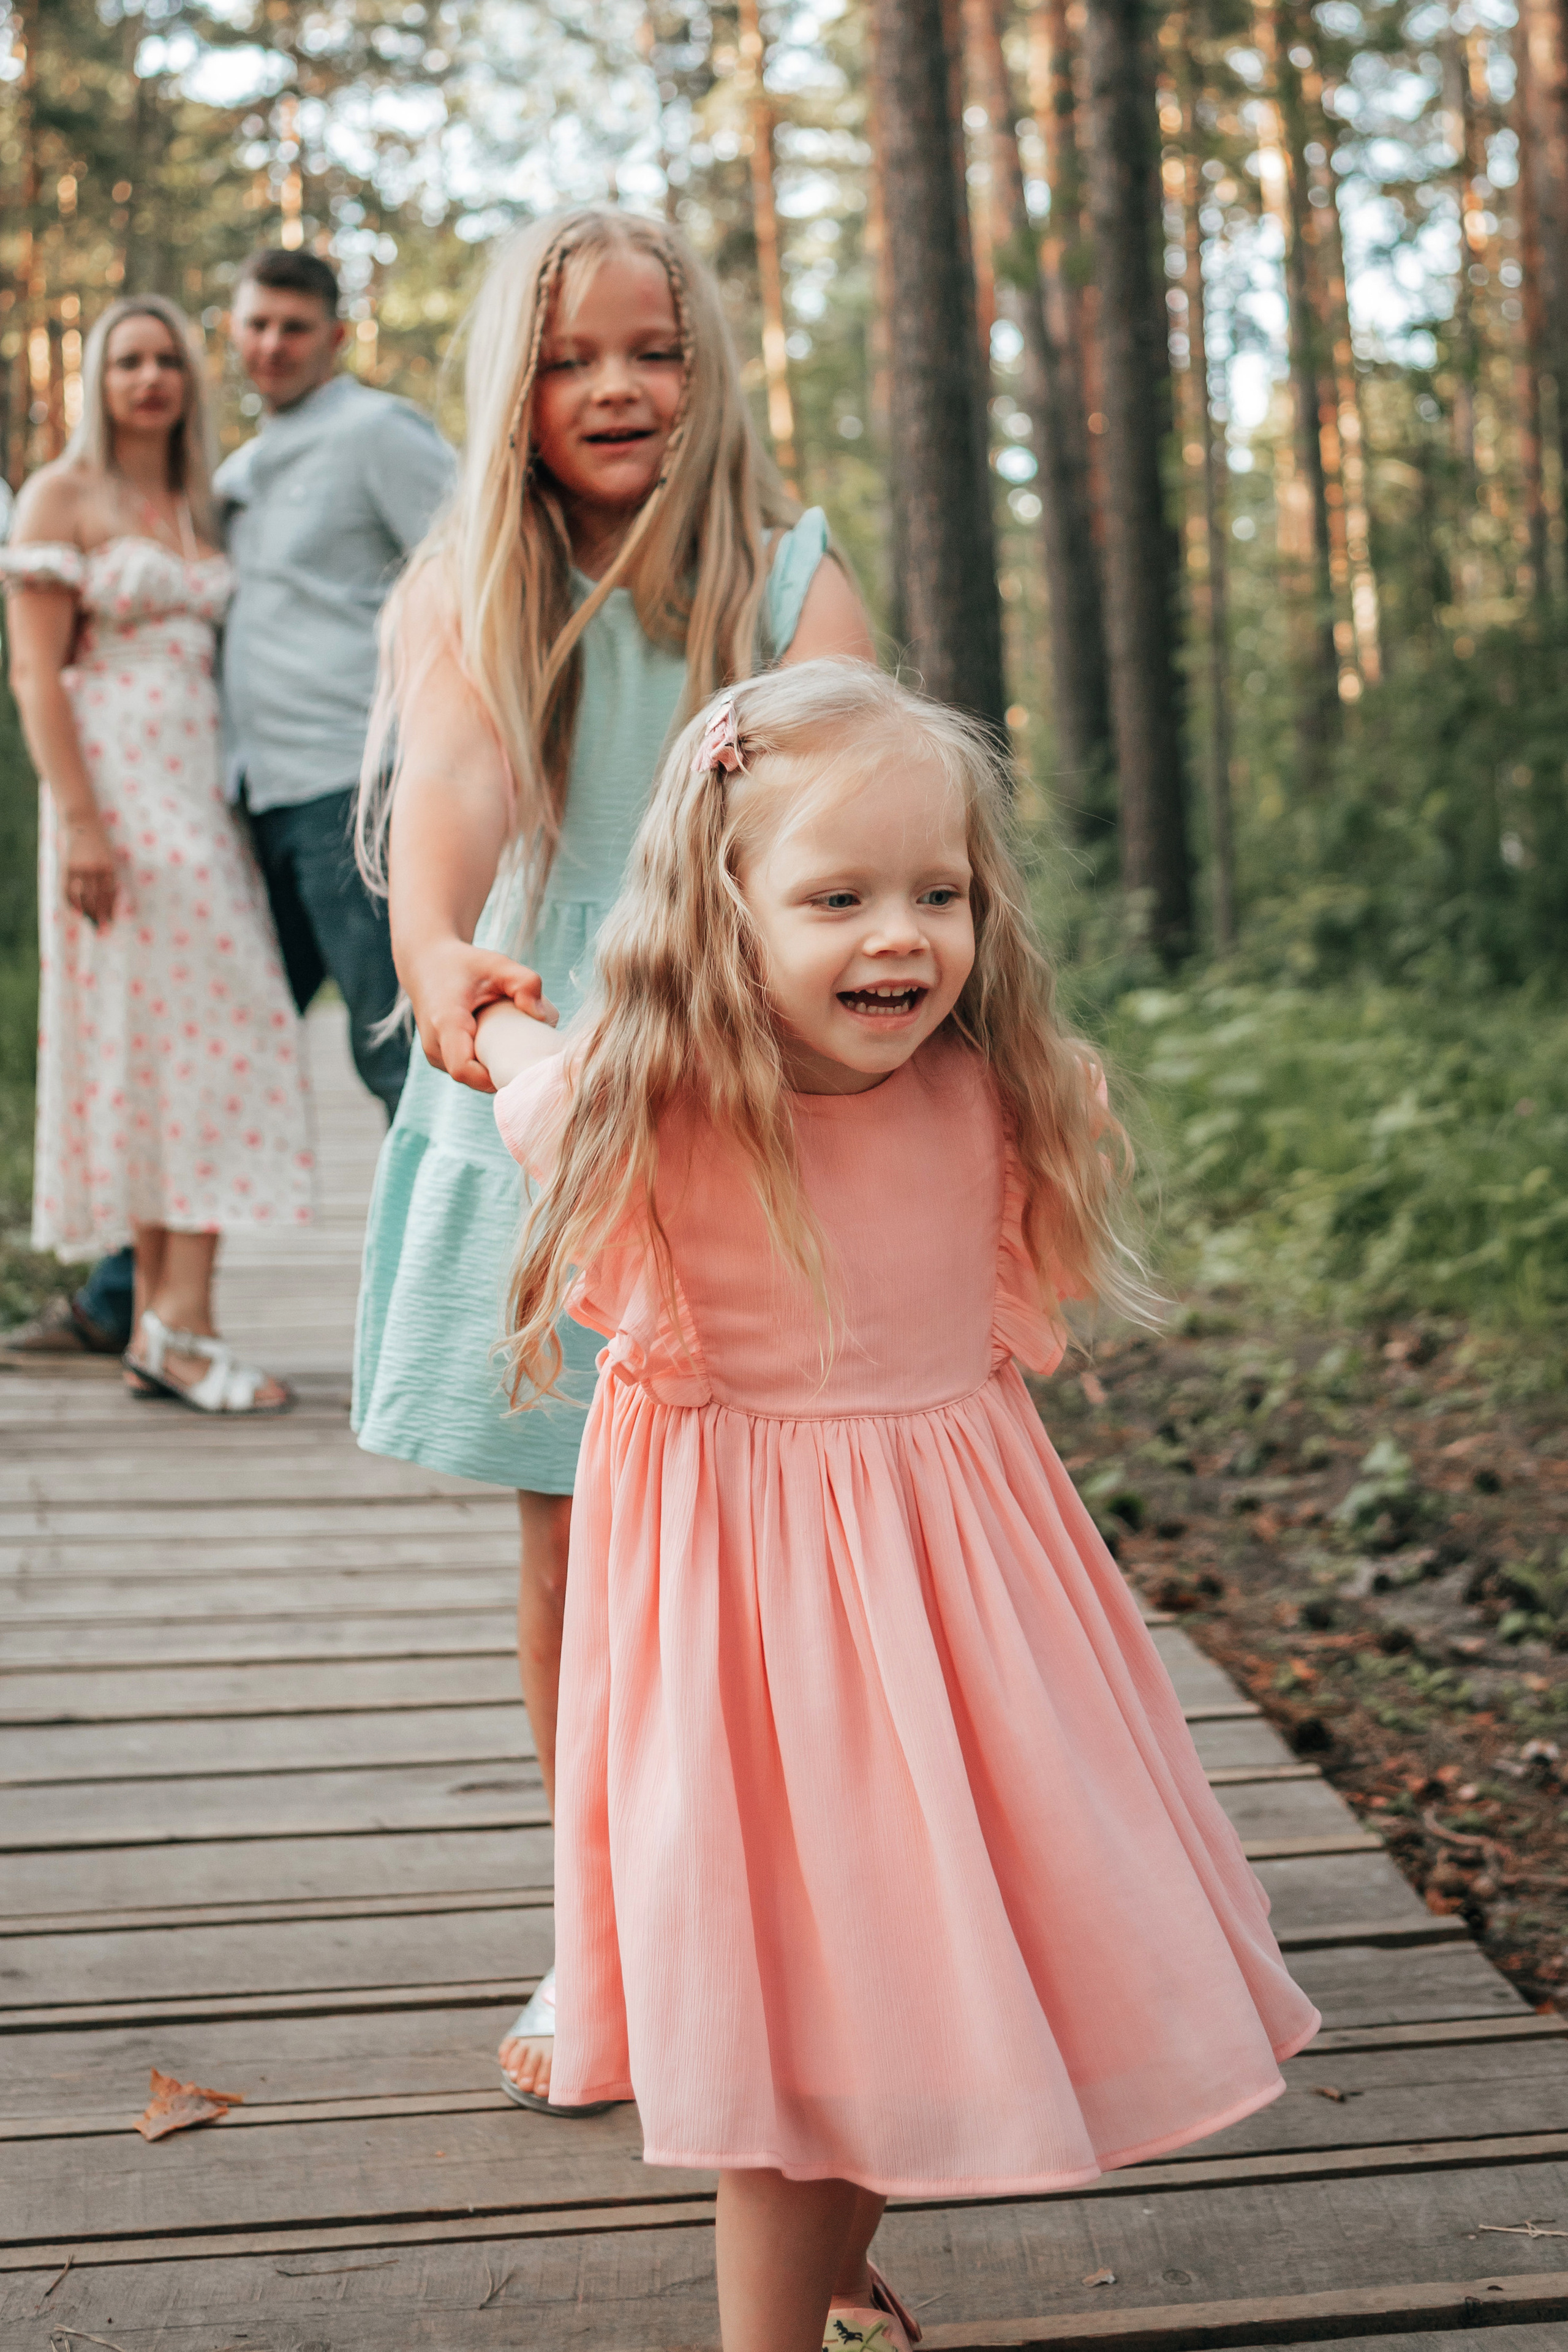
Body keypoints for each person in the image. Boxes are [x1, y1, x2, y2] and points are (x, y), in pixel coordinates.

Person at [477, 660, 1320, 2352]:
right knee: (803, 2031)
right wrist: (486, 1006)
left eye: (939, 893)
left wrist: (490, 1016)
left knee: (919, 1988)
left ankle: (836, 2293)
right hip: (753, 1662)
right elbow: (525, 1077)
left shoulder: (1002, 1097)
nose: (900, 938)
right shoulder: (655, 1111)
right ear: (722, 912)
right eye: (838, 896)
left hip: (967, 1637)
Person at [350, 207, 875, 2110]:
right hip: (547, 1082)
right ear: (515, 390)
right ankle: (606, 1936)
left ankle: (800, 1912)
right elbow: (461, 807)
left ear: (704, 361)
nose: (616, 389)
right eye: (571, 361)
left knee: (778, 1537)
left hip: (746, 1087)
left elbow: (849, 799)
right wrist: (445, 969)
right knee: (576, 1539)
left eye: (651, 350)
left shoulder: (786, 578)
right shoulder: (471, 586)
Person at [1, 295, 312, 1412]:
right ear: (101, 378)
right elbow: (37, 675)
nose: (148, 378)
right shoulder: (60, 496)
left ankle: (165, 1325)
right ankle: (179, 1326)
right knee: (179, 1045)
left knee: (194, 1048)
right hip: (116, 803)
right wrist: (81, 823)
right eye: (128, 360)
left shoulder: (202, 502)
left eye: (166, 359)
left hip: (204, 799)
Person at [215, 246, 455, 1117]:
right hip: (254, 796)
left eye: (295, 328)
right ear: (233, 331)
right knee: (219, 1036)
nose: (272, 344)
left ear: (336, 337)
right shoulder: (237, 471)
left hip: (356, 782)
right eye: (257, 324)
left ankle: (461, 1253)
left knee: (396, 1050)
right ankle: (140, 1260)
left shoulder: (377, 433)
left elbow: (475, 569)